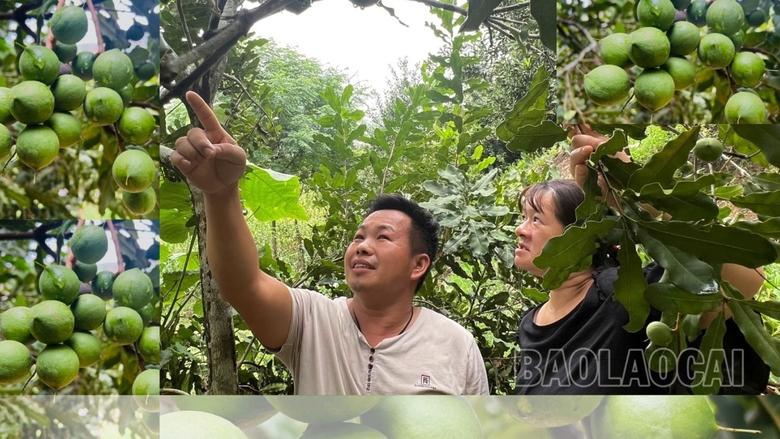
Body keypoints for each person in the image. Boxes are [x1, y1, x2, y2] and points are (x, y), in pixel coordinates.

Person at [170, 91, 489, 395]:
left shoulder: (455, 344)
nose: (363, 246)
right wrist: (221, 194)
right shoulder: (312, 319)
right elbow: (243, 284)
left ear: (418, 265)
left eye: (383, 237)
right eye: (359, 237)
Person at [512, 133, 769, 394]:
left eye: (536, 219)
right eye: (523, 217)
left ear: (580, 235)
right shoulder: (529, 324)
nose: (520, 230)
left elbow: (748, 278)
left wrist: (637, 198)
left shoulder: (624, 293)